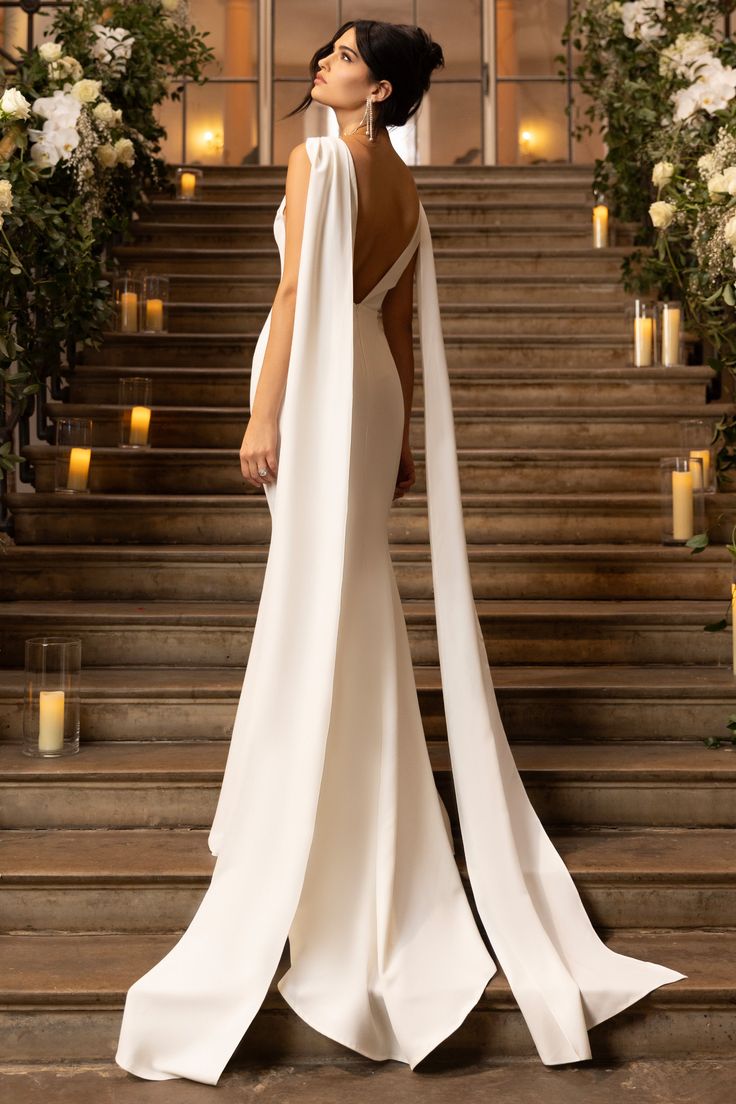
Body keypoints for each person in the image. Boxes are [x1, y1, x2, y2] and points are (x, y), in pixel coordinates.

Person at [114, 20, 686, 1086]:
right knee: (351, 595)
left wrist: (262, 414)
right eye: (326, 52)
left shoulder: (317, 157)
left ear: (376, 89)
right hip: (369, 399)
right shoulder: (407, 190)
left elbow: (293, 297)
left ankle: (307, 814)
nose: (321, 67)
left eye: (340, 58)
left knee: (313, 597)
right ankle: (350, 804)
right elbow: (396, 333)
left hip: (317, 393)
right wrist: (406, 441)